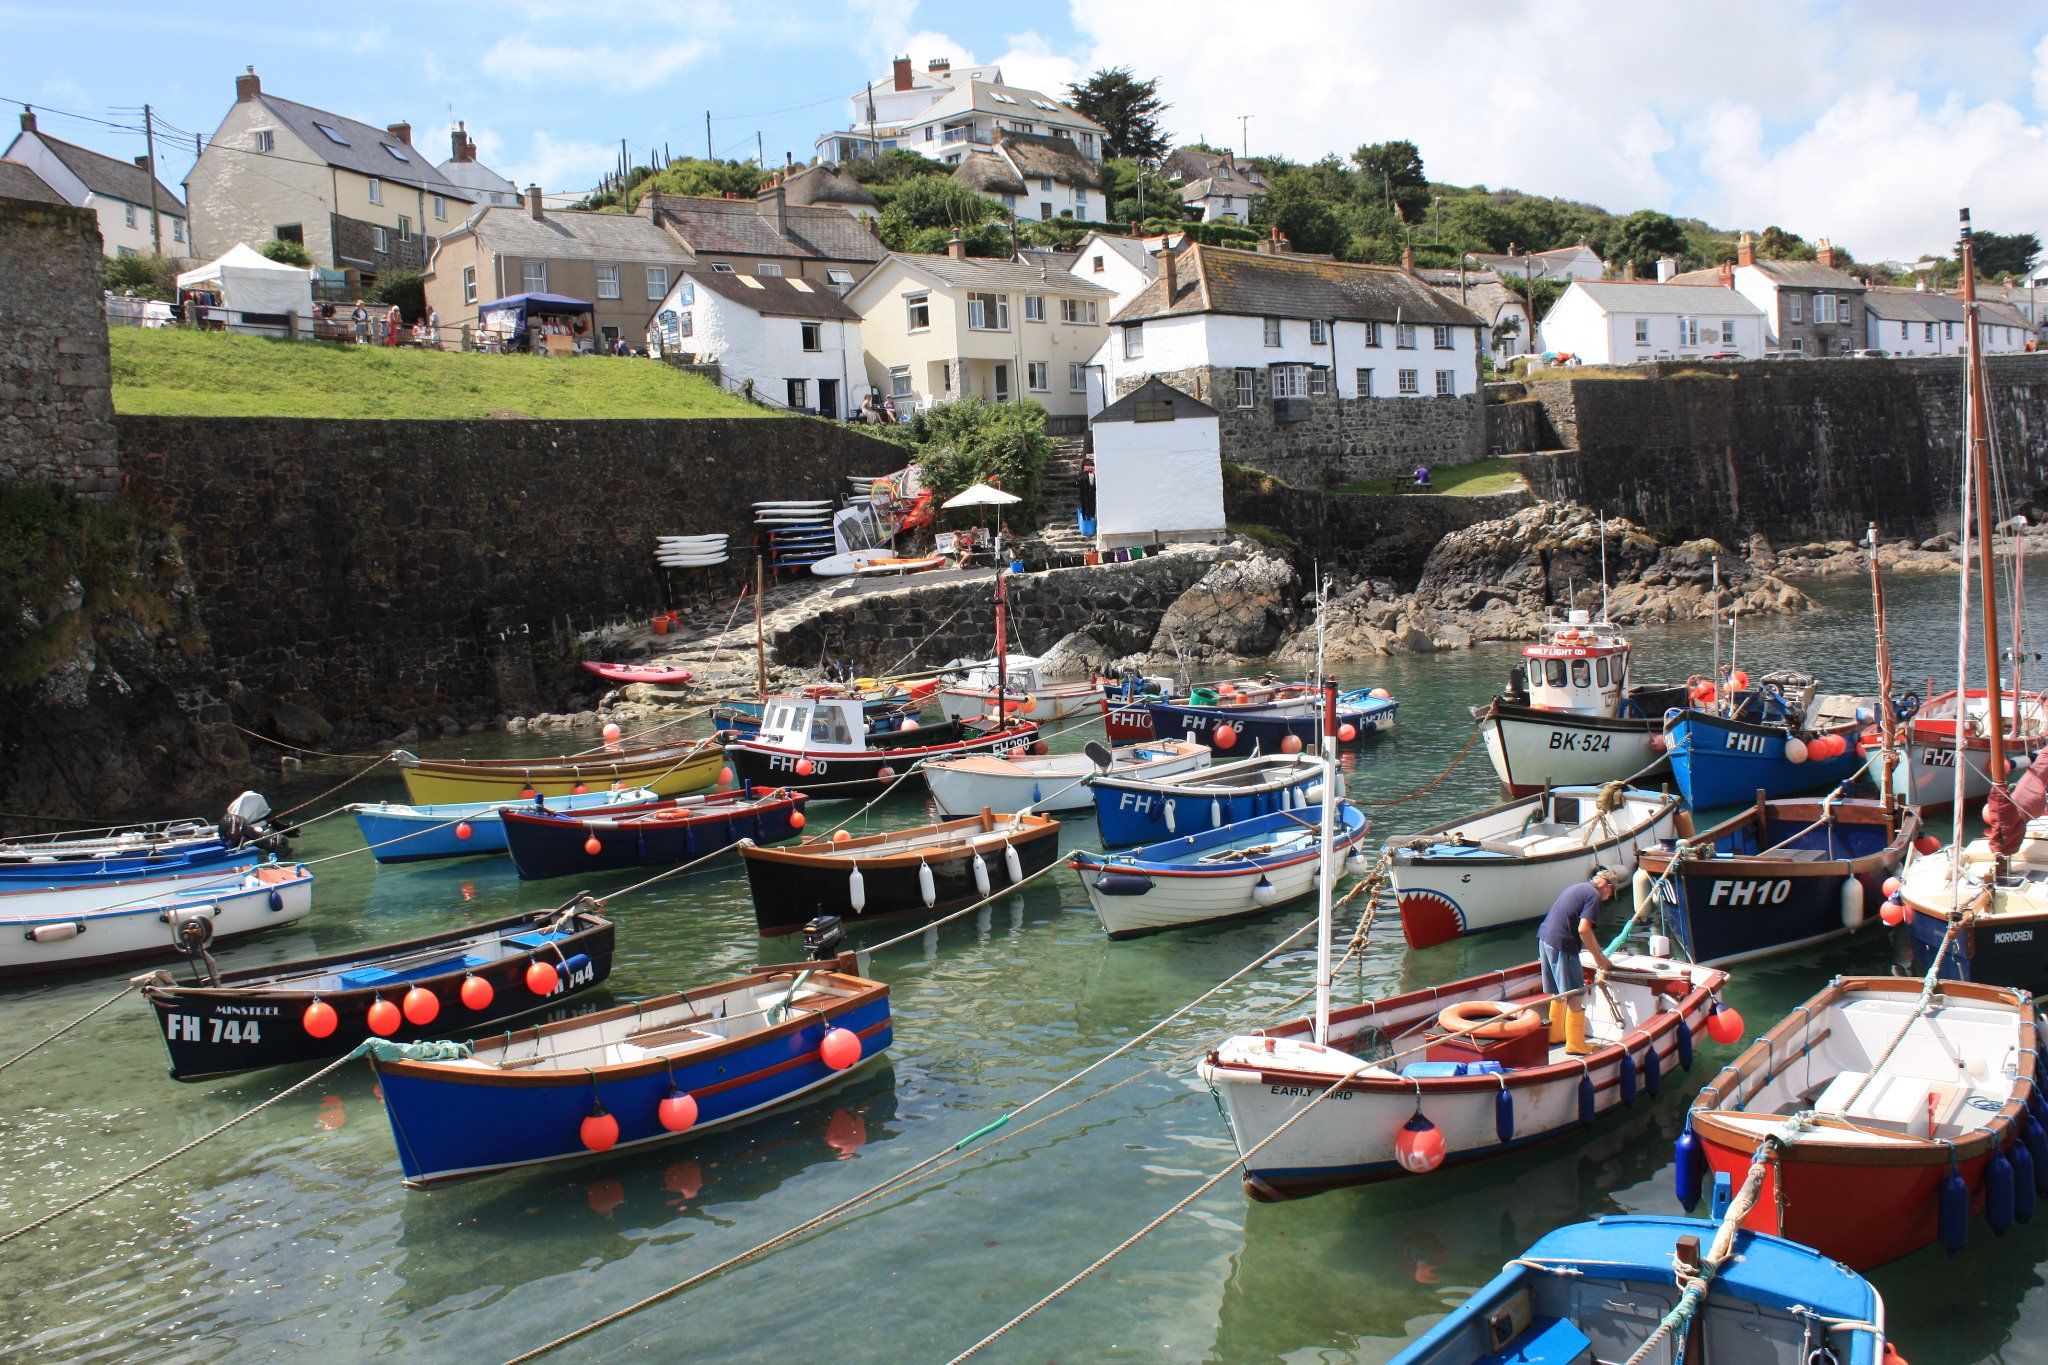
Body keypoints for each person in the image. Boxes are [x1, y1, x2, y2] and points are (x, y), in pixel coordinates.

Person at [1536, 868, 1617, 1055]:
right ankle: (1575, 1044)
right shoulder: (1594, 897)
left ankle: (1555, 1034)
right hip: (1562, 944)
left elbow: (1583, 930)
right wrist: (1600, 959)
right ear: (1607, 886)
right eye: (1611, 893)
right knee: (1575, 995)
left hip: (1545, 938)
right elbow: (1583, 930)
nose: (1609, 898)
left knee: (1557, 991)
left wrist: (1598, 951)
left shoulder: (1578, 887)